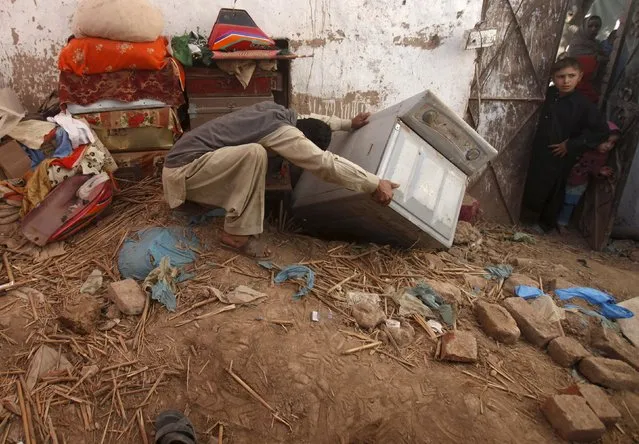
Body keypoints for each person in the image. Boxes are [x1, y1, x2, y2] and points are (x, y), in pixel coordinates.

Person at [162, 101, 399, 258]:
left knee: (250, 154)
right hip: (183, 172)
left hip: (181, 163)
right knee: (254, 153)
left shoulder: (280, 113)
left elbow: (315, 119)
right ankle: (234, 236)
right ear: (298, 137)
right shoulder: (283, 133)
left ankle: (203, 202)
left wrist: (348, 124)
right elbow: (324, 163)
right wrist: (373, 183)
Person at [522, 57, 609, 233]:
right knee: (531, 183)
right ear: (553, 77)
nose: (566, 81)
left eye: (571, 76)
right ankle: (525, 218)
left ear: (580, 76)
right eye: (561, 76)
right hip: (538, 149)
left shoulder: (583, 105)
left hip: (560, 154)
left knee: (554, 187)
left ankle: (545, 224)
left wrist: (571, 145)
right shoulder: (547, 94)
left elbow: (601, 131)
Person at [557, 121, 620, 232]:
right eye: (606, 141)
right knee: (557, 197)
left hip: (580, 181)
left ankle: (562, 223)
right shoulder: (583, 146)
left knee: (570, 202)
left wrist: (600, 171)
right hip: (565, 176)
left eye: (612, 143)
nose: (609, 146)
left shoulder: (602, 156)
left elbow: (592, 168)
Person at [567, 15, 607, 103]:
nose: (594, 29)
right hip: (578, 87)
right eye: (590, 26)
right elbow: (575, 64)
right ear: (584, 27)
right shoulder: (576, 43)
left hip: (593, 87)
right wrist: (596, 59)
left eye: (597, 26)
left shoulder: (597, 44)